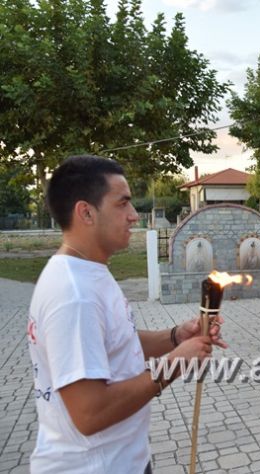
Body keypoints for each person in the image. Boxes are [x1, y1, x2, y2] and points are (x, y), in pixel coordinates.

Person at [27, 155, 226, 473]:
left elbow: (115, 341)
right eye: (122, 203)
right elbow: (90, 414)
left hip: (122, 460)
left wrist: (176, 336)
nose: (134, 215)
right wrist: (175, 364)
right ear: (86, 212)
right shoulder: (74, 295)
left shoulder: (89, 271)